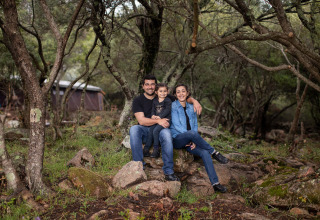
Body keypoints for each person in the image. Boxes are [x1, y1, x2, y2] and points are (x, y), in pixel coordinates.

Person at [130, 75, 202, 181]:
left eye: (152, 84)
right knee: (134, 129)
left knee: (167, 134)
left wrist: (195, 101)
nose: (150, 86)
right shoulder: (138, 100)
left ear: (155, 86)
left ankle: (169, 172)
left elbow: (183, 98)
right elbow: (141, 121)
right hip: (148, 131)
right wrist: (158, 120)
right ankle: (138, 166)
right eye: (147, 84)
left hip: (162, 130)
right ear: (143, 86)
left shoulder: (165, 96)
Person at [170, 84, 229, 193]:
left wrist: (194, 138)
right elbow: (177, 126)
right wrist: (192, 137)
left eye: (183, 91)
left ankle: (215, 184)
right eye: (178, 92)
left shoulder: (191, 107)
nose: (181, 94)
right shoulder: (173, 106)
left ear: (187, 93)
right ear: (175, 94)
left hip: (190, 141)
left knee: (204, 153)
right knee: (193, 135)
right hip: (178, 139)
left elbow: (195, 125)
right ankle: (214, 152)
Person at [143, 83, 171, 158]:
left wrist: (159, 117)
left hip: (166, 120)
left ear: (167, 92)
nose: (163, 93)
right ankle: (146, 149)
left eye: (165, 91)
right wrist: (153, 116)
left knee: (156, 131)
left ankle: (156, 150)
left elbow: (167, 110)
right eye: (160, 91)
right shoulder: (155, 101)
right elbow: (153, 110)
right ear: (156, 92)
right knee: (151, 130)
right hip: (157, 121)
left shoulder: (167, 100)